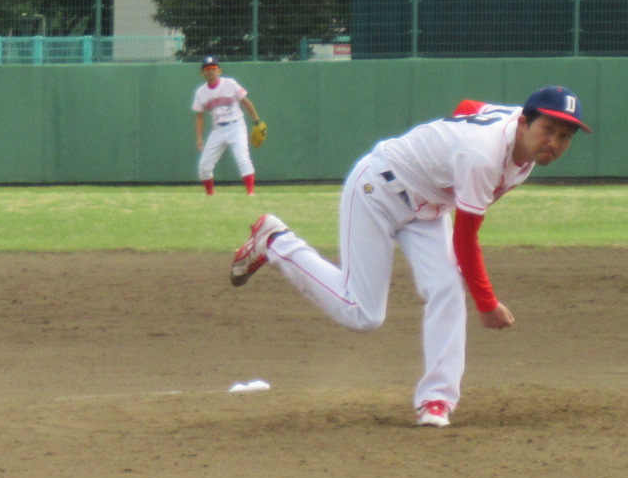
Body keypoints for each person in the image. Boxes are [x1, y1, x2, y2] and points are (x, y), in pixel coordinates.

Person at [228, 88, 589, 426]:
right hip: (377, 190)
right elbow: (465, 240)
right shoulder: (482, 156)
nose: (554, 142)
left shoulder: (515, 138)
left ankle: (437, 400)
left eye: (564, 136)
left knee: (447, 289)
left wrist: (443, 150)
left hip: (427, 209)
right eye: (547, 129)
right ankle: (276, 242)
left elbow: (468, 108)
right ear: (524, 123)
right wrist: (487, 303)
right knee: (363, 314)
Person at [192, 55, 262, 197]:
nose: (211, 71)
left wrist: (257, 121)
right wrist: (199, 138)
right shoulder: (201, 92)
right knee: (204, 166)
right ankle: (210, 195)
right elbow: (199, 116)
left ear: (219, 70)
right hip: (218, 129)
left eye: (213, 68)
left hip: (236, 126)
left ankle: (250, 193)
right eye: (207, 68)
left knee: (243, 158)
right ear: (202, 72)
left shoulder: (230, 83)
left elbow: (245, 102)